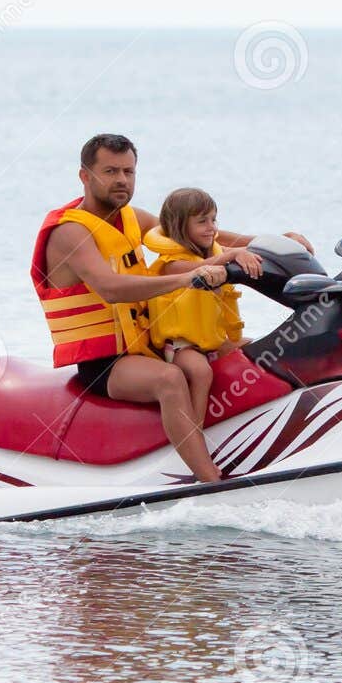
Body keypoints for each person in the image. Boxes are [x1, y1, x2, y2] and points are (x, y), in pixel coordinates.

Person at [31, 133, 312, 483]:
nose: (121, 180)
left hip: (145, 348)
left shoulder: (133, 218)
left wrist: (271, 244)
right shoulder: (70, 232)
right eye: (110, 171)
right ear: (85, 176)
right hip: (103, 363)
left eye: (129, 172)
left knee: (254, 353)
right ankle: (209, 479)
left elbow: (200, 232)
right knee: (170, 380)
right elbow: (112, 288)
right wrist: (187, 278)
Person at [142, 187, 264, 430]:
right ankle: (195, 431)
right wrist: (234, 255)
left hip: (213, 341)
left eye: (213, 219)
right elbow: (202, 267)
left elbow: (234, 255)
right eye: (202, 221)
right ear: (180, 226)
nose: (212, 227)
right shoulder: (171, 265)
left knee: (259, 351)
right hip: (181, 347)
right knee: (200, 372)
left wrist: (281, 243)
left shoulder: (216, 253)